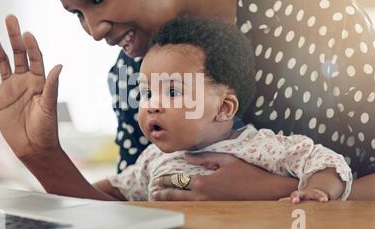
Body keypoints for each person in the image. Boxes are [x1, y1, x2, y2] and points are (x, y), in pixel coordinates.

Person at [0, 0, 375, 200]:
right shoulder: (131, 73)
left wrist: (277, 191)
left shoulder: (313, 10)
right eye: (78, 13)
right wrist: (41, 156)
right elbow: (138, 212)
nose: (94, 31)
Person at [110, 16, 353, 203]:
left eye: (172, 92)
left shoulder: (259, 148)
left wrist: (317, 191)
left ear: (224, 108)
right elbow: (117, 189)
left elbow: (327, 162)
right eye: (147, 93)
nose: (152, 105)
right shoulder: (153, 159)